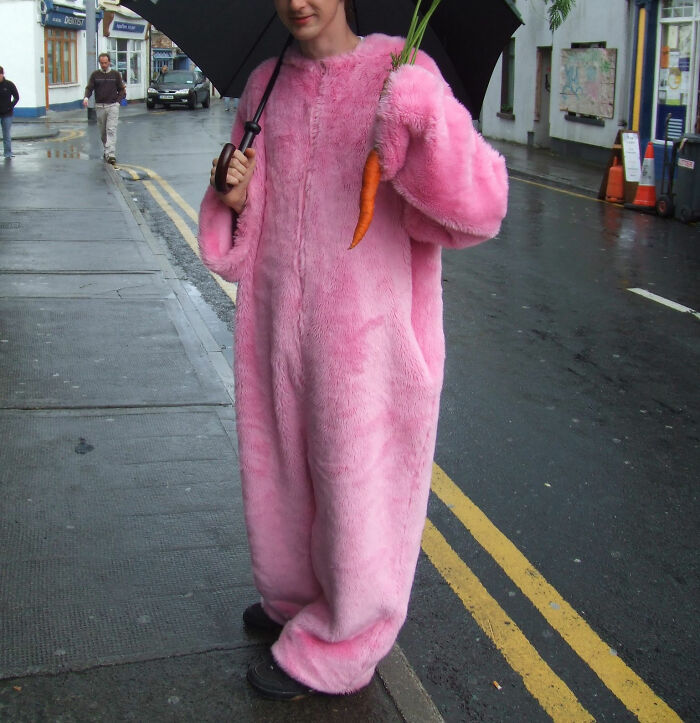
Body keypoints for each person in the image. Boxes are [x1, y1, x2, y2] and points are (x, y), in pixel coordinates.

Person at [199, 0, 508, 701]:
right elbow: (245, 226)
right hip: (274, 327)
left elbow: (478, 209)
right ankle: (294, 597)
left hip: (367, 343)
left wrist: (420, 116)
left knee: (357, 496)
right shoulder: (264, 85)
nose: (297, 3)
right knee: (283, 477)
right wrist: (233, 195)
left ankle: (344, 642)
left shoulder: (401, 73)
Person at [82, 53, 126, 165]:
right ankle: (106, 150)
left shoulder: (115, 74)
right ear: (99, 63)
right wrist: (86, 97)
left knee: (111, 129)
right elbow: (89, 88)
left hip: (112, 106)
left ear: (109, 62)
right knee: (103, 132)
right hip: (100, 106)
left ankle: (111, 154)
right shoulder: (95, 75)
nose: (104, 65)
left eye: (106, 63)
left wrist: (118, 102)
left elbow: (121, 89)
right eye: (102, 63)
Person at [0, 66, 20, 159]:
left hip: (7, 114)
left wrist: (10, 106)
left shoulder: (9, 84)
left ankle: (8, 153)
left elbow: (16, 97)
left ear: (2, 74)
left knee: (6, 134)